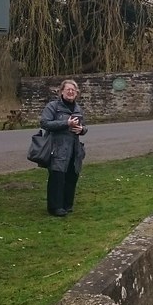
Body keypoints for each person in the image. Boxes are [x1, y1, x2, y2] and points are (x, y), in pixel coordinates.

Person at [40, 78, 88, 216]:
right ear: (61, 92)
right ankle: (55, 207)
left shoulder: (78, 108)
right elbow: (44, 123)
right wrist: (65, 123)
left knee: (72, 176)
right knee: (57, 177)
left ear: (77, 93)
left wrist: (82, 130)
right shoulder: (53, 106)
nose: (71, 92)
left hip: (74, 148)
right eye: (68, 90)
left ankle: (67, 204)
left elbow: (83, 126)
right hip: (57, 148)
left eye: (73, 90)